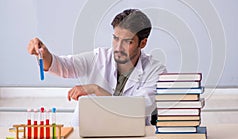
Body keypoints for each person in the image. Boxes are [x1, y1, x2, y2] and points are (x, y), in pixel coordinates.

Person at [27, 9, 167, 126]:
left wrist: (96, 90)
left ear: (143, 43)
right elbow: (64, 66)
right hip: (88, 131)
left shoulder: (155, 71)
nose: (118, 47)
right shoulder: (99, 57)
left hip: (131, 135)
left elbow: (136, 110)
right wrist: (45, 55)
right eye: (115, 38)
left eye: (128, 42)